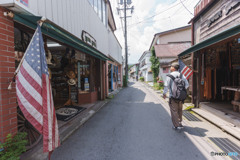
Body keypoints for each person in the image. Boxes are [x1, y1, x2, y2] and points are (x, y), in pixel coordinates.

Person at [163, 62, 189, 132]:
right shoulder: (182, 75)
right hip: (180, 97)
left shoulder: (169, 76)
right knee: (179, 110)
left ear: (173, 68)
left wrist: (164, 94)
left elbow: (166, 86)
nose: (170, 67)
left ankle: (176, 126)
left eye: (171, 66)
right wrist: (181, 92)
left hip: (173, 96)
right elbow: (187, 85)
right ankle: (180, 122)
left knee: (174, 111)